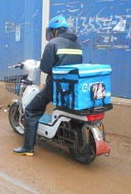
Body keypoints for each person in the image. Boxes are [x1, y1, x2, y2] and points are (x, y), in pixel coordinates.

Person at [13, 16, 83, 156]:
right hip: (72, 86)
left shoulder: (53, 44)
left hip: (55, 86)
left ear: (54, 31)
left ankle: (28, 148)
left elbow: (45, 67)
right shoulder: (77, 45)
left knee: (32, 110)